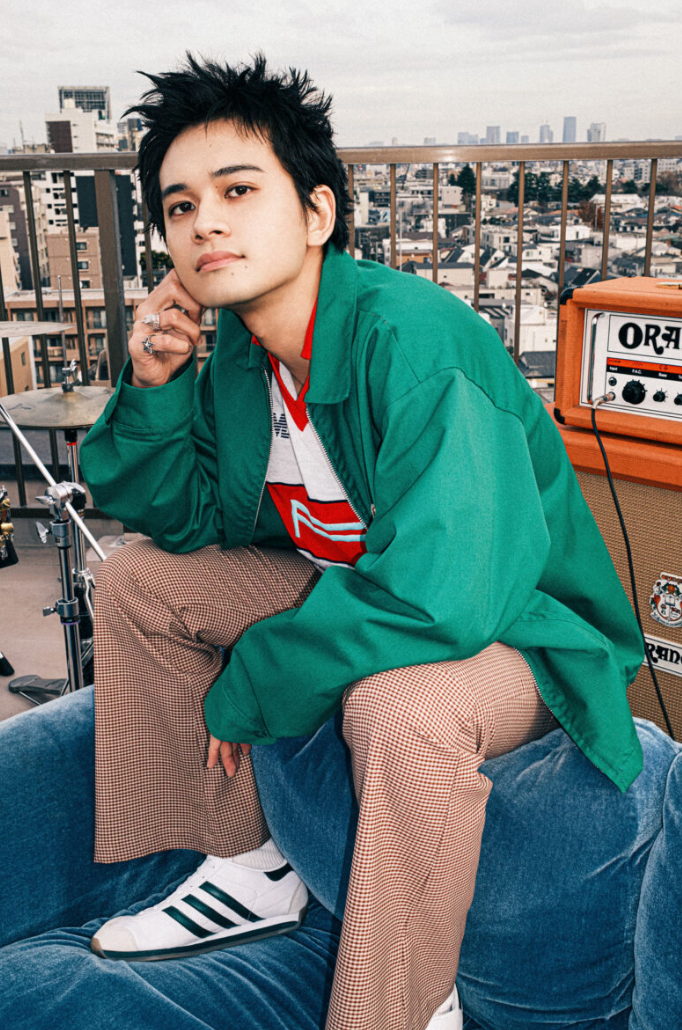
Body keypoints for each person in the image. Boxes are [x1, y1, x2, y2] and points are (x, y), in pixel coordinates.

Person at [0, 54, 644, 1030]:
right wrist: (157, 386)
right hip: (361, 587)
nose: (204, 223)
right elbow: (185, 522)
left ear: (316, 213)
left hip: (520, 629)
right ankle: (246, 864)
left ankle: (404, 1004)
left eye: (237, 191)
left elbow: (447, 594)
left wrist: (258, 678)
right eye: (180, 206)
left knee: (399, 706)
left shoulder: (411, 342)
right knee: (136, 582)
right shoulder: (240, 353)